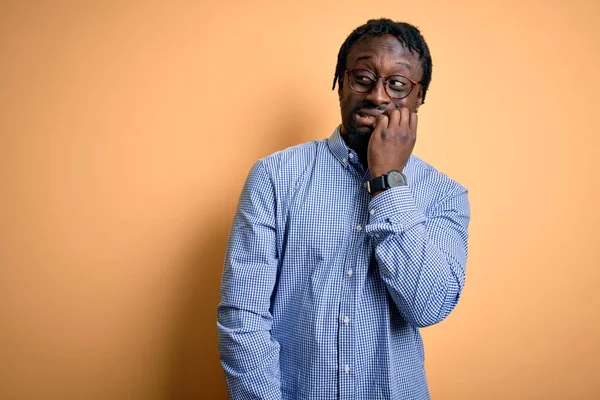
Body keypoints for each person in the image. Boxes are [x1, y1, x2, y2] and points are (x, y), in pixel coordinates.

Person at [217, 18, 471, 399]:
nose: (378, 96)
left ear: (420, 98)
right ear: (340, 81)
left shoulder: (444, 194)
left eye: (398, 84)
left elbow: (428, 306)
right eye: (363, 77)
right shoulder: (275, 176)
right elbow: (243, 316)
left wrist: (387, 181)